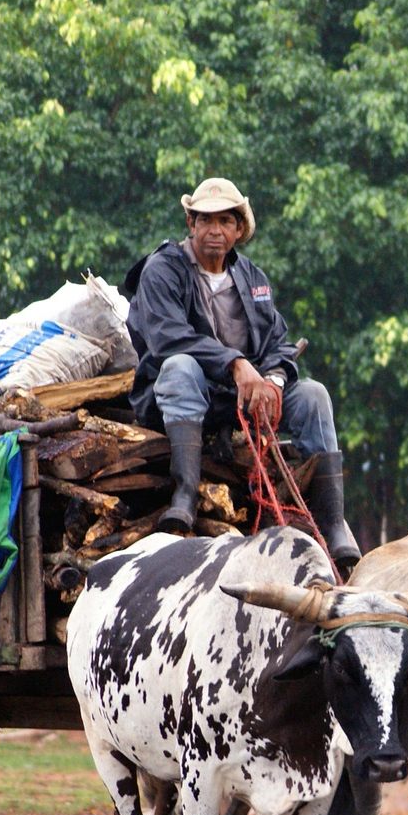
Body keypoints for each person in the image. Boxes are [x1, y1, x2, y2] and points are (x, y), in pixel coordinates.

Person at [121, 177, 361, 569]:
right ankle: (185, 495)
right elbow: (168, 338)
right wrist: (236, 365)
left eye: (225, 221)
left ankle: (334, 523)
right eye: (205, 221)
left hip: (240, 400)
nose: (215, 230)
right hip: (183, 396)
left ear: (238, 230)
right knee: (180, 367)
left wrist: (273, 382)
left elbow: (278, 344)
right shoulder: (161, 269)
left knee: (314, 394)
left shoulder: (252, 278)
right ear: (191, 224)